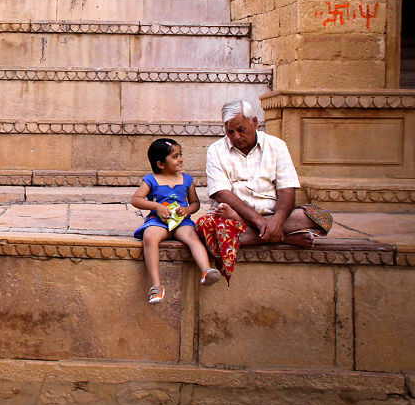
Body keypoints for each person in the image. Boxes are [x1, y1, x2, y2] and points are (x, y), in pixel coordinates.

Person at [196, 100, 333, 281]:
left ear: (255, 122)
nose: (236, 136)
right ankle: (286, 238)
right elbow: (221, 193)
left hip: (270, 216)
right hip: (233, 217)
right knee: (205, 229)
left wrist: (277, 220)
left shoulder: (277, 145)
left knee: (321, 217)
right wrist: (259, 221)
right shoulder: (216, 150)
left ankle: (266, 230)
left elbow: (287, 190)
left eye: (241, 129)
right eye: (230, 132)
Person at [131, 138, 221, 304]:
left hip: (181, 222)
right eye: (175, 156)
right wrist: (157, 206)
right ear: (161, 164)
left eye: (180, 155)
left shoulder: (186, 180)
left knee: (192, 237)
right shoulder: (151, 180)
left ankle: (206, 270)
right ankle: (156, 286)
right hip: (159, 221)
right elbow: (136, 199)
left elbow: (195, 203)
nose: (180, 159)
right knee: (150, 237)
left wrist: (187, 210)